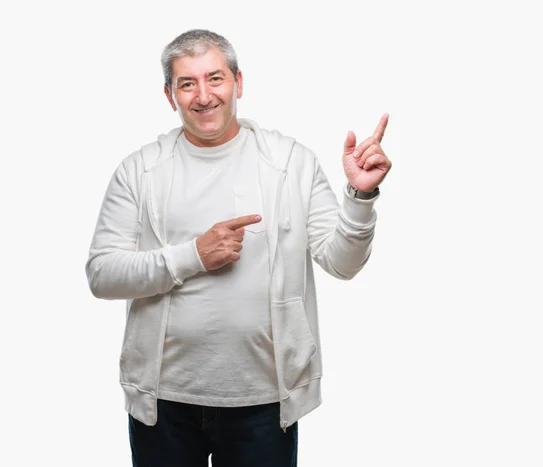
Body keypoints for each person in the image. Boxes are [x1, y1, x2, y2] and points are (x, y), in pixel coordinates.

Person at [86, 28, 392, 467]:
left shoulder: (291, 162)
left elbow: (342, 264)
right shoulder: (140, 170)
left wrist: (360, 198)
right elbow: (102, 274)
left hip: (266, 401)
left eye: (215, 79)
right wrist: (194, 255)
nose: (203, 95)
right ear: (170, 96)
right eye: (187, 83)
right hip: (164, 402)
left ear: (238, 83)